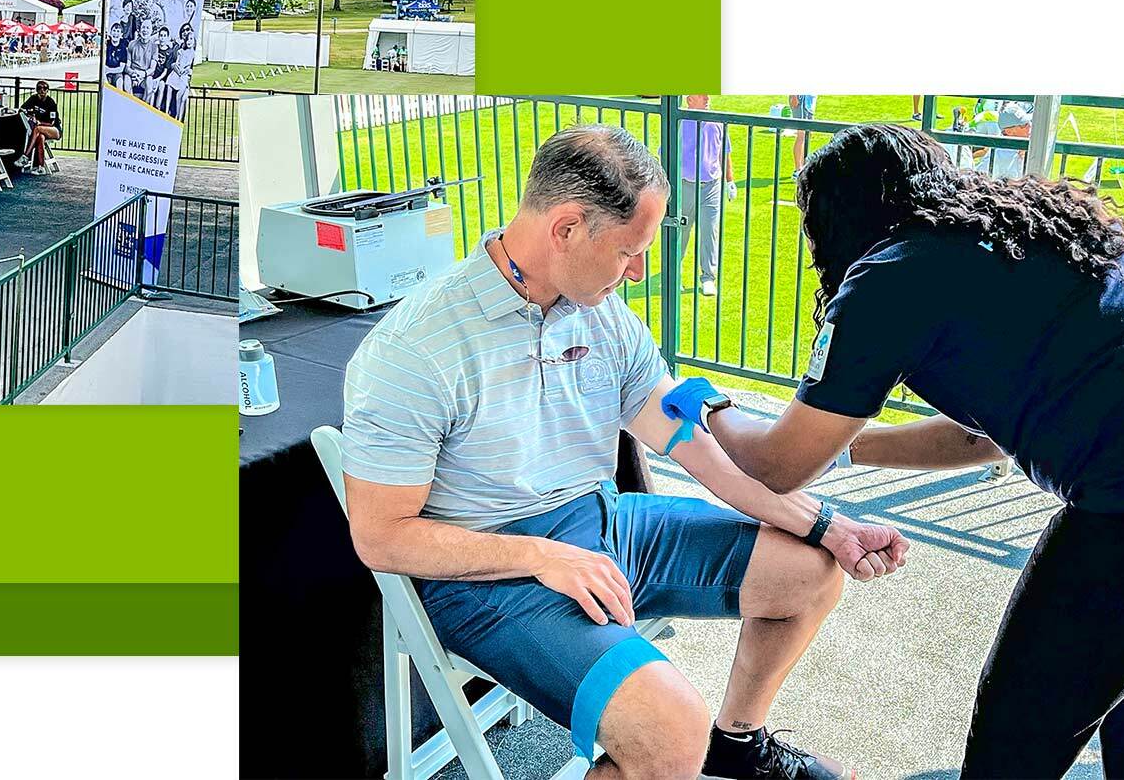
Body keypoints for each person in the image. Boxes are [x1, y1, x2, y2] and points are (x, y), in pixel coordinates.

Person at [343, 124, 907, 780]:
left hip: (602, 527)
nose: (640, 270)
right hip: (490, 576)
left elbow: (704, 455)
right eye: (628, 251)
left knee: (810, 570)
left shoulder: (605, 316)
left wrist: (825, 525)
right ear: (566, 228)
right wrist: (541, 554)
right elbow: (382, 538)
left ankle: (738, 745)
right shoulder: (416, 350)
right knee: (671, 731)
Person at [698, 123, 1124, 780]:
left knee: (1013, 742)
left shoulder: (889, 275)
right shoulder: (1014, 237)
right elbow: (988, 432)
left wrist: (713, 410)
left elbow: (776, 465)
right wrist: (850, 452)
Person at [679, 95, 736, 296]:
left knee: (709, 232)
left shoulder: (716, 121)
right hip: (684, 186)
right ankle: (675, 273)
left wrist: (730, 181)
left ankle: (708, 278)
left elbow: (724, 153)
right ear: (689, 99)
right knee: (681, 231)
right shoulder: (680, 121)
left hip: (711, 187)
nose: (707, 98)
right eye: (702, 95)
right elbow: (666, 152)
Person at [18, 80, 61, 172]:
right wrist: (29, 114)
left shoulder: (51, 103)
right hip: (41, 130)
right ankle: (41, 168)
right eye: (39, 88)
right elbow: (21, 109)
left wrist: (39, 122)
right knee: (40, 137)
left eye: (44, 88)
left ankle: (25, 156)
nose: (42, 90)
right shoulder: (33, 99)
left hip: (54, 129)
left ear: (47, 90)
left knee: (37, 129)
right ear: (36, 90)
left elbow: (52, 123)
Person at [126, 18, 158, 99]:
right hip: (133, 74)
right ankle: (131, 105)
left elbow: (152, 69)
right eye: (143, 27)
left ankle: (143, 107)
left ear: (151, 31)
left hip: (145, 76)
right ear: (140, 30)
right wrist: (133, 73)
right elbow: (127, 66)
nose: (145, 30)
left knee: (149, 83)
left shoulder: (154, 47)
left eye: (148, 28)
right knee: (126, 81)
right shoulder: (132, 44)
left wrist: (143, 74)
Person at [786, 94, 818, 173]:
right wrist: (794, 96)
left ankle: (804, 167)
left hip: (809, 100)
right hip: (801, 99)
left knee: (808, 134)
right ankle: (797, 170)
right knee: (801, 135)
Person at [103, 21, 128, 89]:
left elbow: (121, 69)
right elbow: (103, 65)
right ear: (110, 33)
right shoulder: (106, 45)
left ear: (121, 34)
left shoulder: (123, 48)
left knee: (119, 82)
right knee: (104, 81)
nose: (115, 33)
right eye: (114, 30)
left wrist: (108, 70)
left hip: (117, 73)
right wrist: (106, 71)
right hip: (106, 74)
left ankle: (118, 98)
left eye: (118, 31)